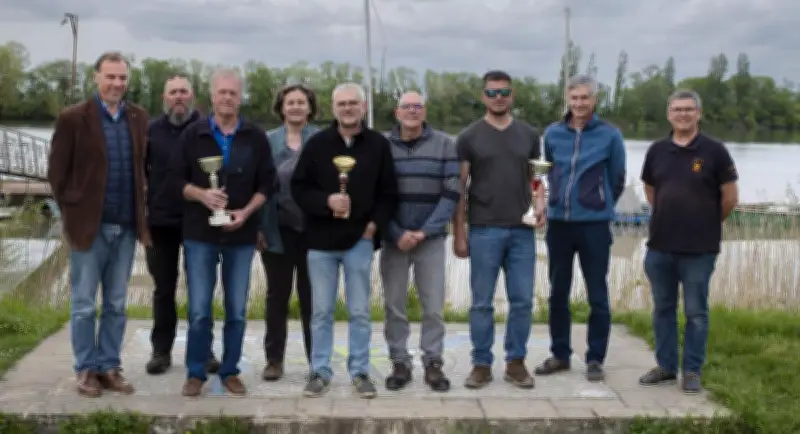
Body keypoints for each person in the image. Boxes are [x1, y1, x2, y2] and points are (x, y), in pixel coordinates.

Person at [47, 51, 150, 397]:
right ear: (96, 77)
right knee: (84, 305)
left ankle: (109, 366)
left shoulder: (138, 117)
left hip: (127, 226)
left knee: (117, 304)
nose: (117, 83)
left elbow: (142, 167)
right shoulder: (73, 118)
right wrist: (73, 212)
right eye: (110, 76)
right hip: (89, 227)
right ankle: (86, 368)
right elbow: (57, 174)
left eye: (122, 78)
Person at [169, 69, 276, 397]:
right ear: (212, 96)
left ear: (240, 97)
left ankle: (230, 370)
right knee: (199, 309)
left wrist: (246, 213)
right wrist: (202, 195)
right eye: (222, 92)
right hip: (199, 234)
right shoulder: (193, 134)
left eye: (233, 93)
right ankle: (196, 372)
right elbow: (174, 181)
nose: (227, 98)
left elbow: (268, 184)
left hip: (241, 236)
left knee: (237, 310)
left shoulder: (255, 137)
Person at [291, 82, 398, 399]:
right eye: (342, 104)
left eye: (353, 103)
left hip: (359, 242)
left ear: (363, 107)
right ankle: (320, 371)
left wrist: (373, 227)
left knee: (360, 312)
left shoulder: (378, 145)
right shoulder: (317, 144)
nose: (348, 108)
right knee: (321, 312)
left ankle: (360, 371)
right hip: (320, 243)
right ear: (333, 108)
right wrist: (326, 202)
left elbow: (389, 193)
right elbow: (299, 188)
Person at [638, 90, 738, 394]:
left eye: (689, 109)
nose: (683, 114)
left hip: (699, 249)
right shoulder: (656, 150)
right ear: (669, 113)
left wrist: (705, 222)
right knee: (662, 309)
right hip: (660, 247)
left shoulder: (715, 151)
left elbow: (730, 198)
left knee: (696, 312)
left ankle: (692, 370)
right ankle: (666, 366)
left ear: (698, 113)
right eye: (677, 109)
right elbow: (651, 191)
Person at [452, 70, 544, 390]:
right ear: (483, 97)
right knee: (481, 303)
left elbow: (536, 179)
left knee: (522, 301)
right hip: (483, 230)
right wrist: (459, 233)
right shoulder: (468, 137)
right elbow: (459, 189)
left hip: (522, 231)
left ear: (512, 95)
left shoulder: (529, 134)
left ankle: (516, 363)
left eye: (504, 92)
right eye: (492, 93)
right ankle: (481, 364)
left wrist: (540, 203)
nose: (498, 98)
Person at [534, 74, 627, 383]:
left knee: (597, 294)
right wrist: (550, 202)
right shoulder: (553, 133)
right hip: (559, 224)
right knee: (557, 291)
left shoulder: (610, 135)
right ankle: (560, 354)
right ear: (567, 99)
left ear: (594, 100)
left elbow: (617, 178)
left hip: (594, 225)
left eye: (585, 97)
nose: (579, 103)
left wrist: (598, 202)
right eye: (574, 98)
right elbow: (547, 171)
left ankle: (595, 358)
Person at [380, 91, 458, 392]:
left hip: (431, 240)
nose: (412, 111)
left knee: (433, 306)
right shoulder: (382, 145)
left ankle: (433, 362)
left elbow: (451, 191)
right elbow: (374, 193)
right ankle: (400, 362)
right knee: (394, 305)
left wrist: (425, 231)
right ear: (396, 112)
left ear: (425, 111)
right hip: (394, 240)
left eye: (417, 106)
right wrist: (396, 232)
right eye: (406, 107)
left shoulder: (445, 144)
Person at [144, 75, 219, 375]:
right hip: (160, 222)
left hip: (199, 221)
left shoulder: (208, 129)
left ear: (193, 96)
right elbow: (140, 174)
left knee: (200, 289)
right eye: (173, 92)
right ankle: (161, 350)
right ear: (164, 97)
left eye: (183, 92)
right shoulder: (150, 131)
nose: (178, 97)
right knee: (164, 289)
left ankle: (203, 349)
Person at [257, 84, 320, 381]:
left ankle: (316, 360)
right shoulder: (267, 141)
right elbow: (257, 184)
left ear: (310, 107)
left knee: (313, 299)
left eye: (301, 102)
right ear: (281, 107)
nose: (295, 106)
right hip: (276, 230)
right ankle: (274, 360)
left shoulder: (321, 140)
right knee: (276, 297)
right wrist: (257, 226)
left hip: (313, 232)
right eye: (290, 102)